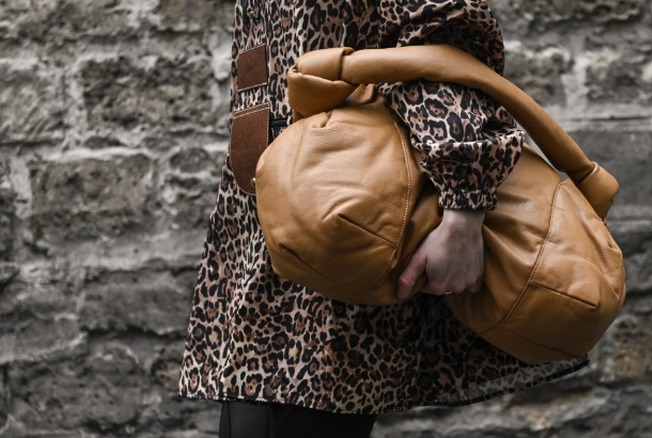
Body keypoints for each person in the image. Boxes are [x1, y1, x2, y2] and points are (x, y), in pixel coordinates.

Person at [178, 1, 588, 437]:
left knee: (286, 410)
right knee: (259, 408)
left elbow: (441, 36)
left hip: (347, 201)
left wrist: (464, 208)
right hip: (285, 208)